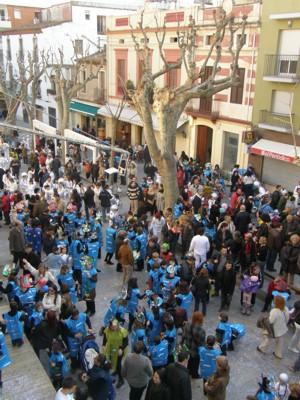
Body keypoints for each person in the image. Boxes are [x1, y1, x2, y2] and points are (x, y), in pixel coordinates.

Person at [182, 311, 206, 378]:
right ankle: (194, 374)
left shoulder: (187, 325)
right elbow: (202, 343)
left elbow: (183, 336)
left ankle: (189, 370)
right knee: (195, 362)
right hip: (196, 350)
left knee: (190, 359)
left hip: (188, 346)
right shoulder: (201, 331)